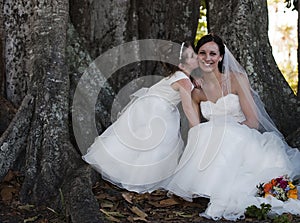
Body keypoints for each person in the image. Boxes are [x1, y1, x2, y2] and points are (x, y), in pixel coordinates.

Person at [166, 33, 300, 221]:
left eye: (213, 53)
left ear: (221, 56)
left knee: (224, 133)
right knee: (206, 134)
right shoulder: (196, 92)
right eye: (202, 53)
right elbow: (194, 127)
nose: (207, 58)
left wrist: (227, 132)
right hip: (213, 142)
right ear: (197, 57)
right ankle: (204, 186)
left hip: (243, 137)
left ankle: (222, 190)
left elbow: (252, 120)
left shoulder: (237, 79)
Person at [82, 40, 200, 193]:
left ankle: (130, 171)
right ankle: (140, 178)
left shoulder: (181, 77)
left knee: (144, 143)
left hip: (150, 106)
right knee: (156, 145)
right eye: (192, 56)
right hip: (158, 111)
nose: (196, 57)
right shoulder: (183, 80)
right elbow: (188, 108)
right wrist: (197, 129)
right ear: (182, 65)